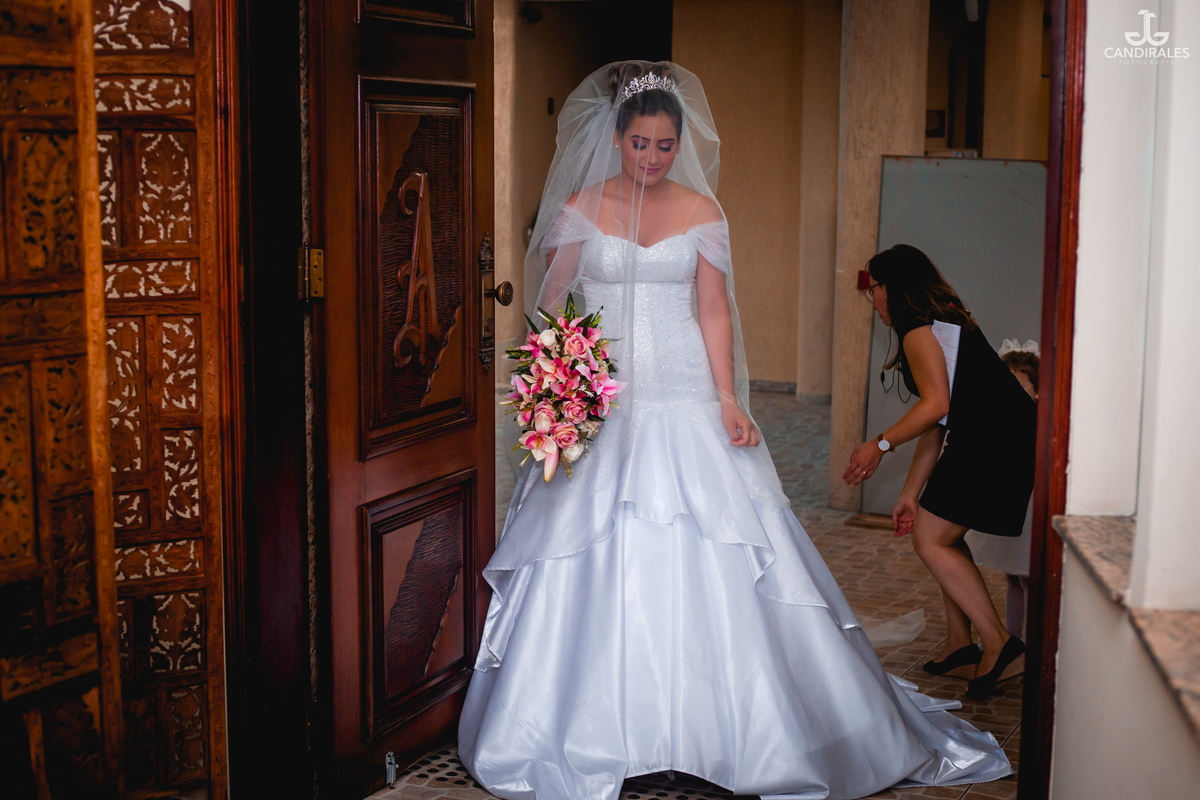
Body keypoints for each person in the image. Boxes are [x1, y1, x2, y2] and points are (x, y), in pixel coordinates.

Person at [459, 62, 1011, 800]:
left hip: (686, 388)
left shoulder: (701, 210)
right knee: (586, 541)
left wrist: (727, 398)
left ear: (679, 142)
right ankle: (590, 728)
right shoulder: (579, 208)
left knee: (720, 537)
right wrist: (560, 385)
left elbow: (713, 309)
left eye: (665, 145)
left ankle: (735, 731)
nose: (652, 158)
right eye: (639, 144)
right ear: (616, 138)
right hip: (604, 398)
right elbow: (554, 302)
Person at [842, 245, 1037, 696]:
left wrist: (879, 445)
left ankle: (1000, 645)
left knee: (931, 539)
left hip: (996, 441)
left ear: (893, 288)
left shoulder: (919, 330)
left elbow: (934, 406)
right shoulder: (943, 319)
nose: (873, 300)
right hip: (990, 437)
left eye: (874, 289)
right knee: (940, 534)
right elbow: (937, 421)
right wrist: (911, 493)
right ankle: (960, 645)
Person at [964, 341, 1040, 640]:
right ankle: (1013, 638)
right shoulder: (1000, 418)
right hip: (1008, 503)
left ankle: (1033, 643)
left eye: (1019, 387)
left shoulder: (1039, 422)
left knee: (1029, 577)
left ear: (1037, 391)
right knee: (1012, 576)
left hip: (1031, 508)